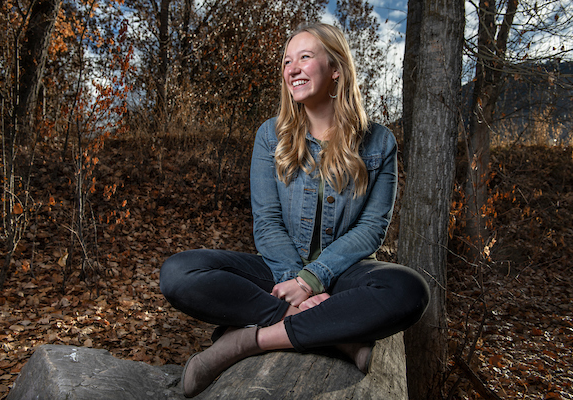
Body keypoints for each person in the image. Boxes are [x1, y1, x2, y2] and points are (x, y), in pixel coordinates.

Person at [160, 23, 430, 398]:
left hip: (342, 273)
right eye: (287, 61)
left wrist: (311, 280)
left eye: (305, 57)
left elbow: (371, 228)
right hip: (278, 269)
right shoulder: (270, 136)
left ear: (335, 68)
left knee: (409, 289)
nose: (292, 68)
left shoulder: (379, 141)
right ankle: (337, 336)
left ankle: (247, 341)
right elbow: (267, 221)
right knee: (178, 272)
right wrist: (294, 283)